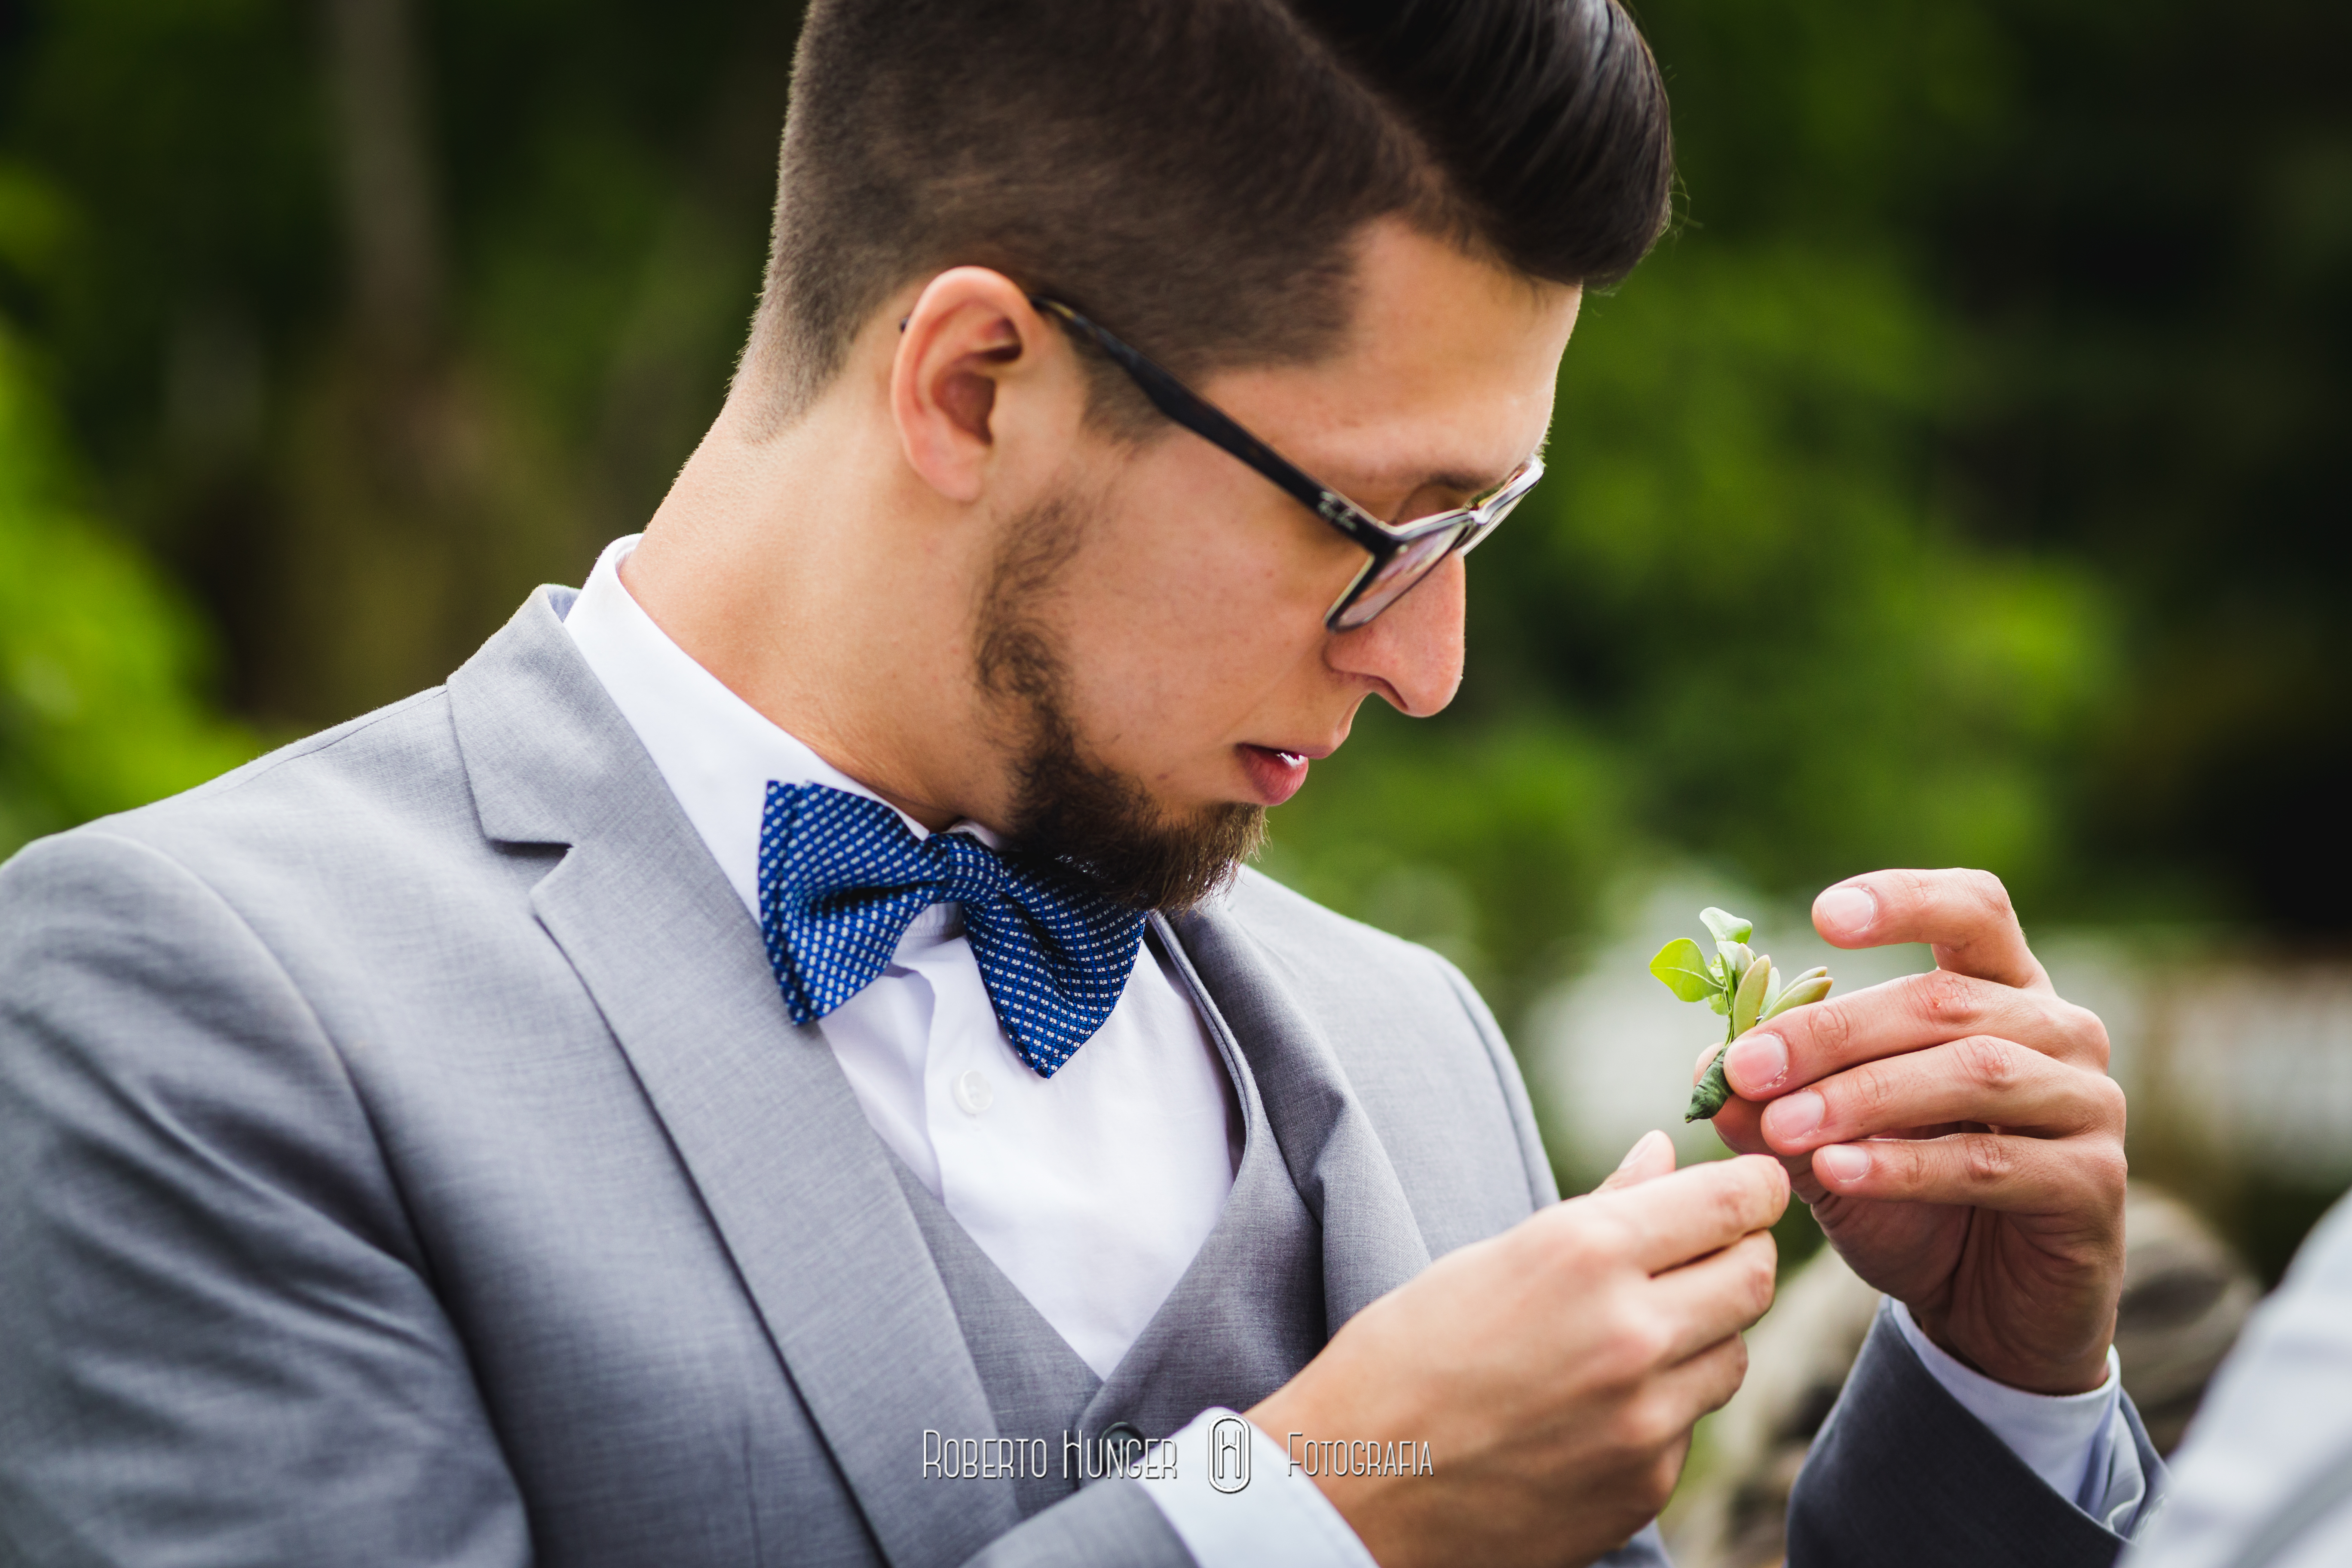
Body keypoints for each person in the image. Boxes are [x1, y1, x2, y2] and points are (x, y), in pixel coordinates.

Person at [0, 2, 2155, 1564]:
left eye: (1477, 539)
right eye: (1376, 528)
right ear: (975, 382)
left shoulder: (1417, 1050)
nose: (1427, 663)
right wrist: (1293, 1515)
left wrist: (1997, 1394)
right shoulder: (186, 1005)